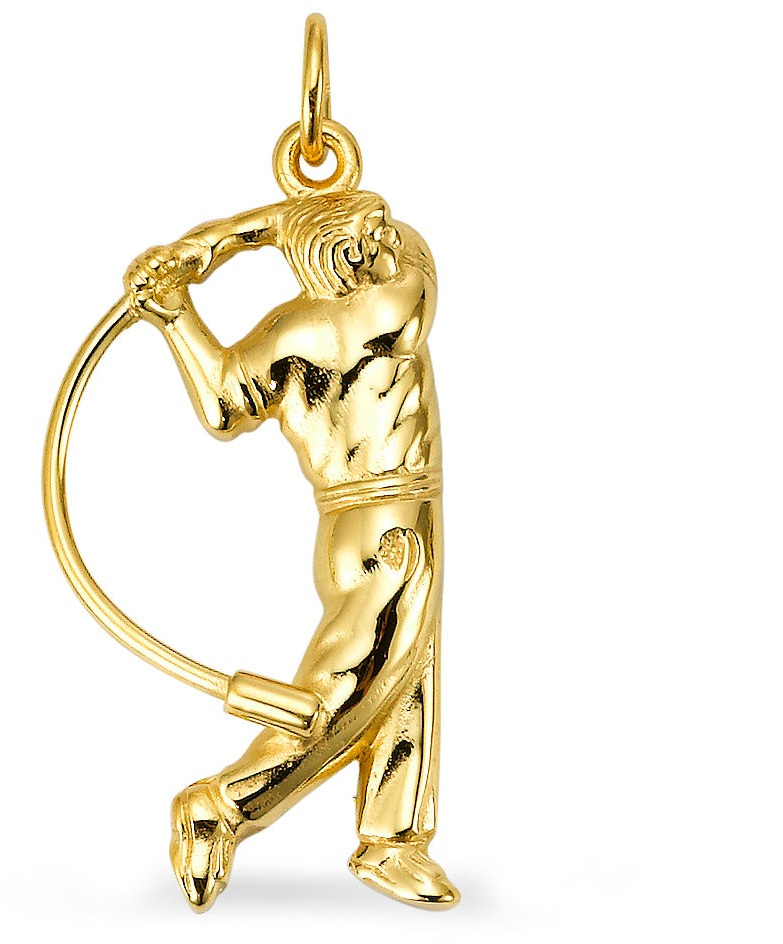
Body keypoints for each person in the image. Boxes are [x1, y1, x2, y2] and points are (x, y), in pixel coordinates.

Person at [124, 189, 459, 911]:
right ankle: (226, 805)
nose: (386, 237)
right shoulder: (391, 304)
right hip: (390, 533)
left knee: (406, 679)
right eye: (368, 233)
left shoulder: (290, 329)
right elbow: (407, 248)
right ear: (341, 251)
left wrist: (179, 303)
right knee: (347, 695)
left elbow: (223, 403)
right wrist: (232, 240)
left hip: (360, 529)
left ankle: (392, 841)